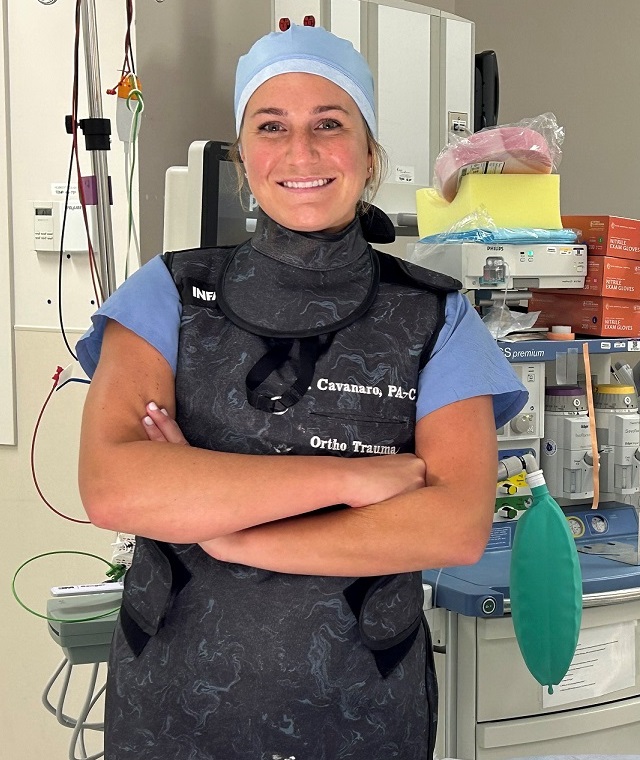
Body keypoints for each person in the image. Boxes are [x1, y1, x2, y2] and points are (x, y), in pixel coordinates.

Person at [76, 24, 527, 760]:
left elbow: (454, 525)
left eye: (329, 124)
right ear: (243, 151)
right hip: (175, 699)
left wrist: (232, 532)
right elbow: (115, 487)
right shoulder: (170, 293)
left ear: (370, 151)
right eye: (271, 126)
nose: (301, 152)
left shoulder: (434, 316)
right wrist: (351, 481)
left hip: (360, 703)